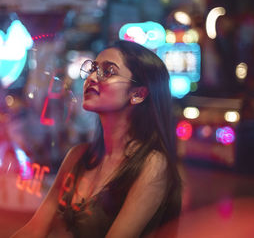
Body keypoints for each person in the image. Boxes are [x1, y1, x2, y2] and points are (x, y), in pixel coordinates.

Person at [12, 40, 182, 238]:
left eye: (108, 72)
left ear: (137, 94)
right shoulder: (77, 156)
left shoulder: (152, 165)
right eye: (93, 69)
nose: (92, 77)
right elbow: (35, 229)